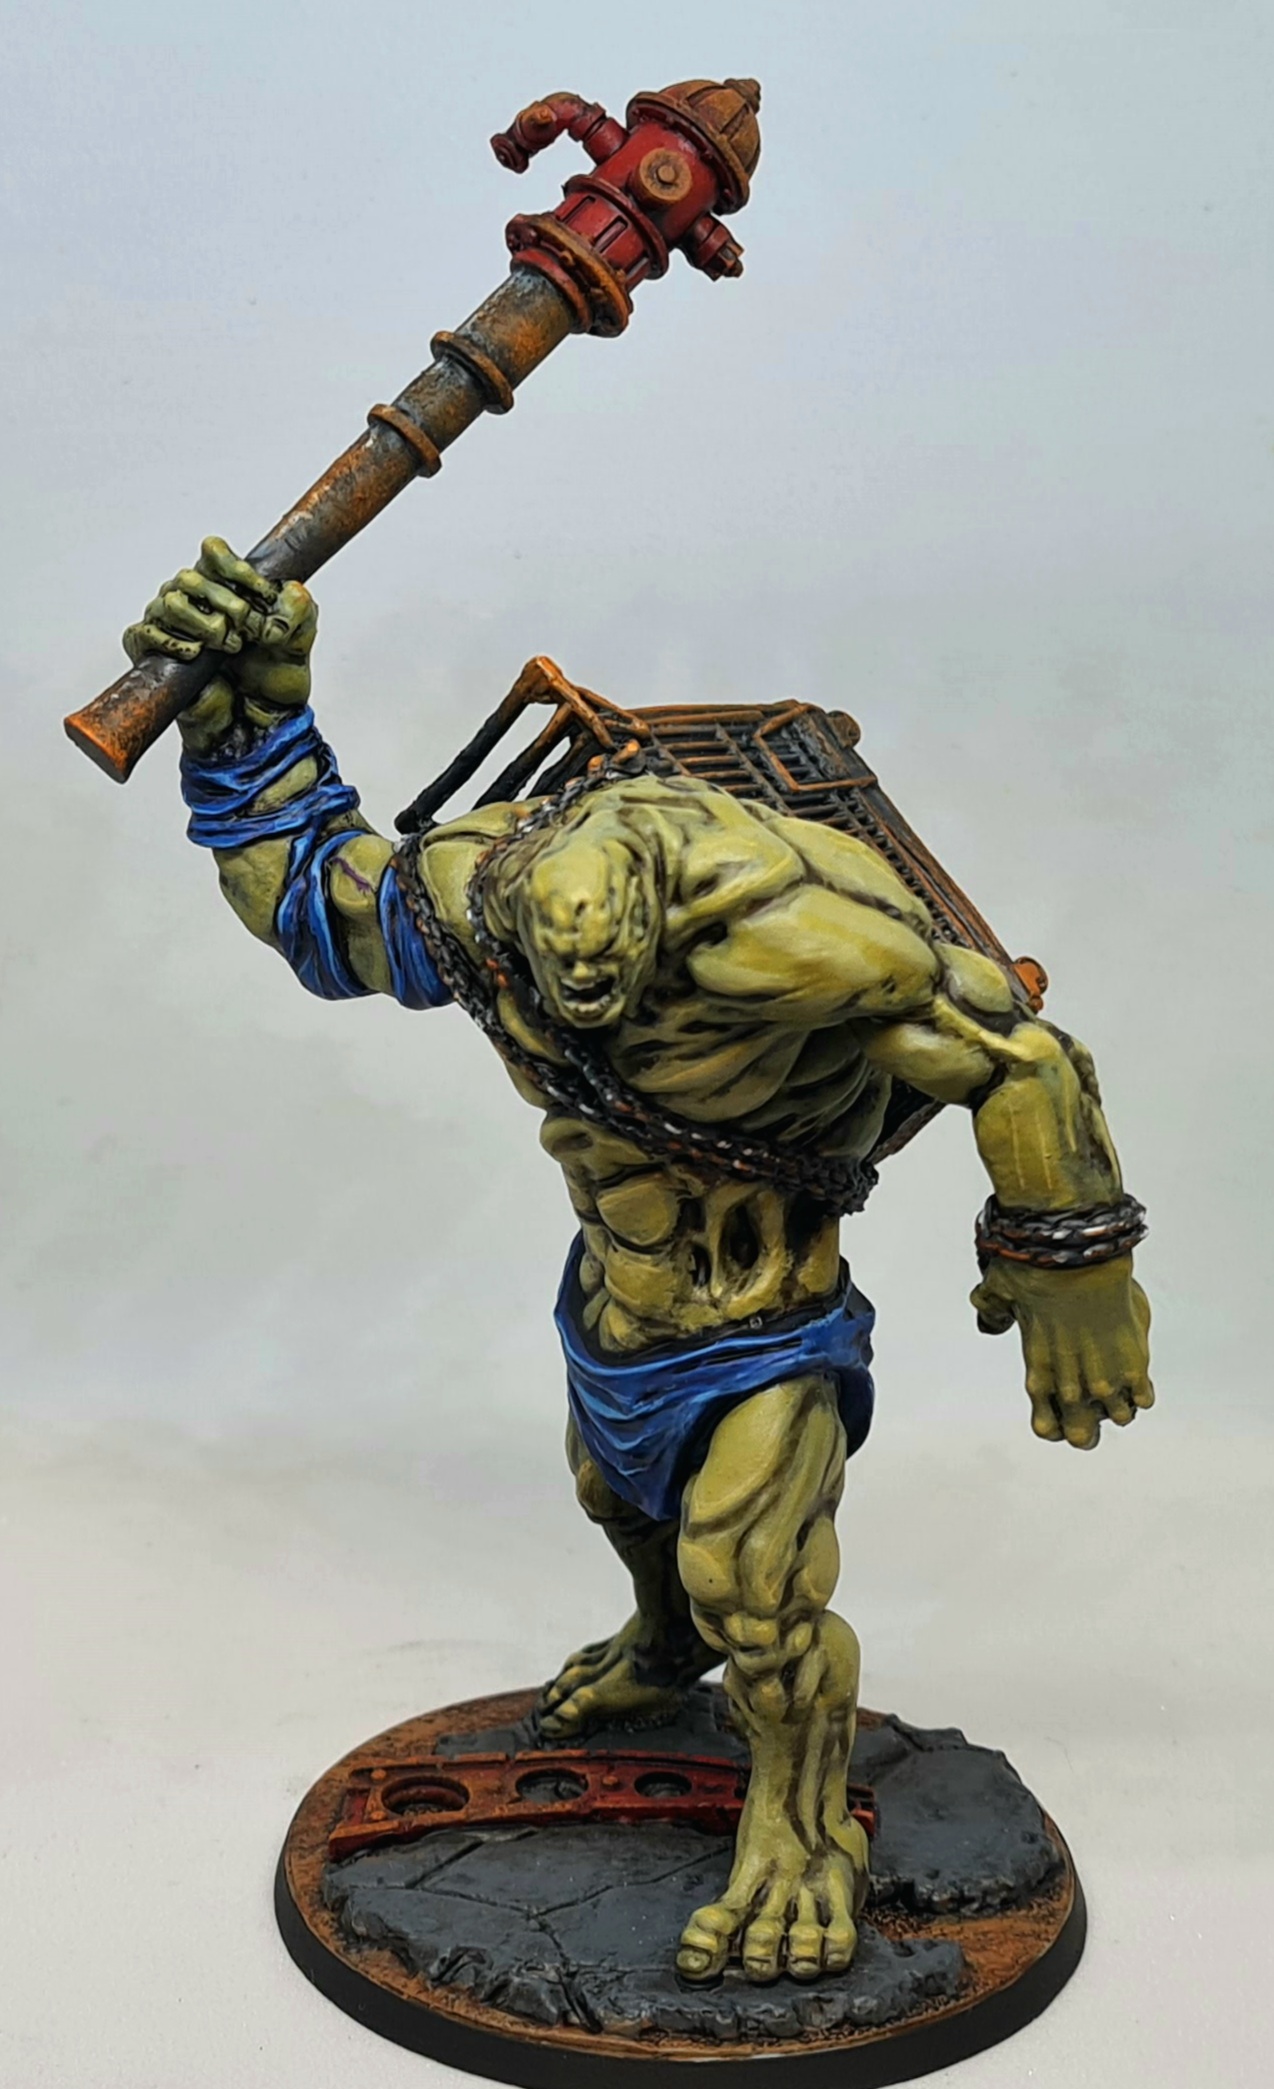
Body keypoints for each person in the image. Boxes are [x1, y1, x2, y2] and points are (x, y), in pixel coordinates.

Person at [124, 537, 1153, 1985]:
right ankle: (663, 1646)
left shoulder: (786, 932)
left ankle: (802, 1839)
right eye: (560, 984)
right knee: (616, 1498)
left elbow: (1020, 1056)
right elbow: (309, 898)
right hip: (615, 1303)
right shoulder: (471, 895)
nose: (585, 1005)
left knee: (758, 1591)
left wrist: (1072, 1266)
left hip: (767, 1317)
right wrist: (246, 720)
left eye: (615, 981)